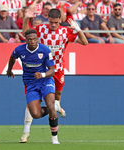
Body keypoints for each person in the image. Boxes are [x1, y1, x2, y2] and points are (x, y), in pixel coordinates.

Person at [19, 8, 88, 143]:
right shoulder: (41, 29)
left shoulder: (65, 31)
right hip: (40, 70)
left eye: (56, 23)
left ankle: (57, 107)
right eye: (51, 22)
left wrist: (78, 29)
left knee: (56, 99)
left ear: (60, 21)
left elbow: (85, 42)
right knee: (32, 102)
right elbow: (25, 34)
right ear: (48, 20)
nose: (54, 25)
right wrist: (26, 19)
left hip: (57, 70)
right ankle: (26, 132)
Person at [6, 28, 60, 144]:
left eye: (34, 39)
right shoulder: (20, 50)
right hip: (30, 83)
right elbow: (12, 57)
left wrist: (42, 74)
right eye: (30, 40)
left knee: (50, 105)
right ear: (26, 40)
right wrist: (9, 70)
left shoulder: (45, 50)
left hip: (45, 80)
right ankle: (53, 108)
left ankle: (54, 138)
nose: (32, 42)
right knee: (35, 114)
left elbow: (52, 71)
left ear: (37, 39)